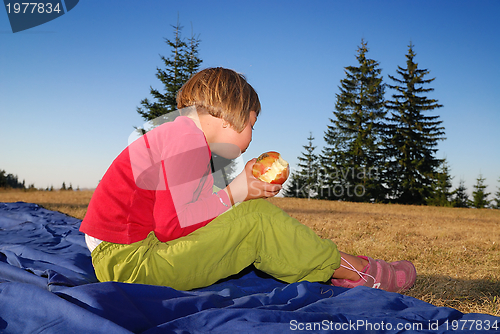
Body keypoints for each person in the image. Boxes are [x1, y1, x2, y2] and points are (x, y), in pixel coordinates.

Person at [80, 67, 416, 293]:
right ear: (231, 115)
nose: (253, 135)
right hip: (129, 263)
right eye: (252, 124)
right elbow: (174, 225)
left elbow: (183, 210)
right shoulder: (187, 139)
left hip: (123, 254)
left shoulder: (176, 135)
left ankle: (333, 268)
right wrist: (238, 190)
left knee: (247, 214)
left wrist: (236, 193)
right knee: (257, 220)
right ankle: (360, 272)